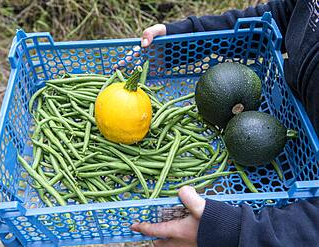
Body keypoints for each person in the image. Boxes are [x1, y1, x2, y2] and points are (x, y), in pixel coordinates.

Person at [130, 0, 319, 246]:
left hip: (291, 219)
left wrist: (229, 232)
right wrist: (187, 38)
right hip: (268, 131)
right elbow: (285, 15)